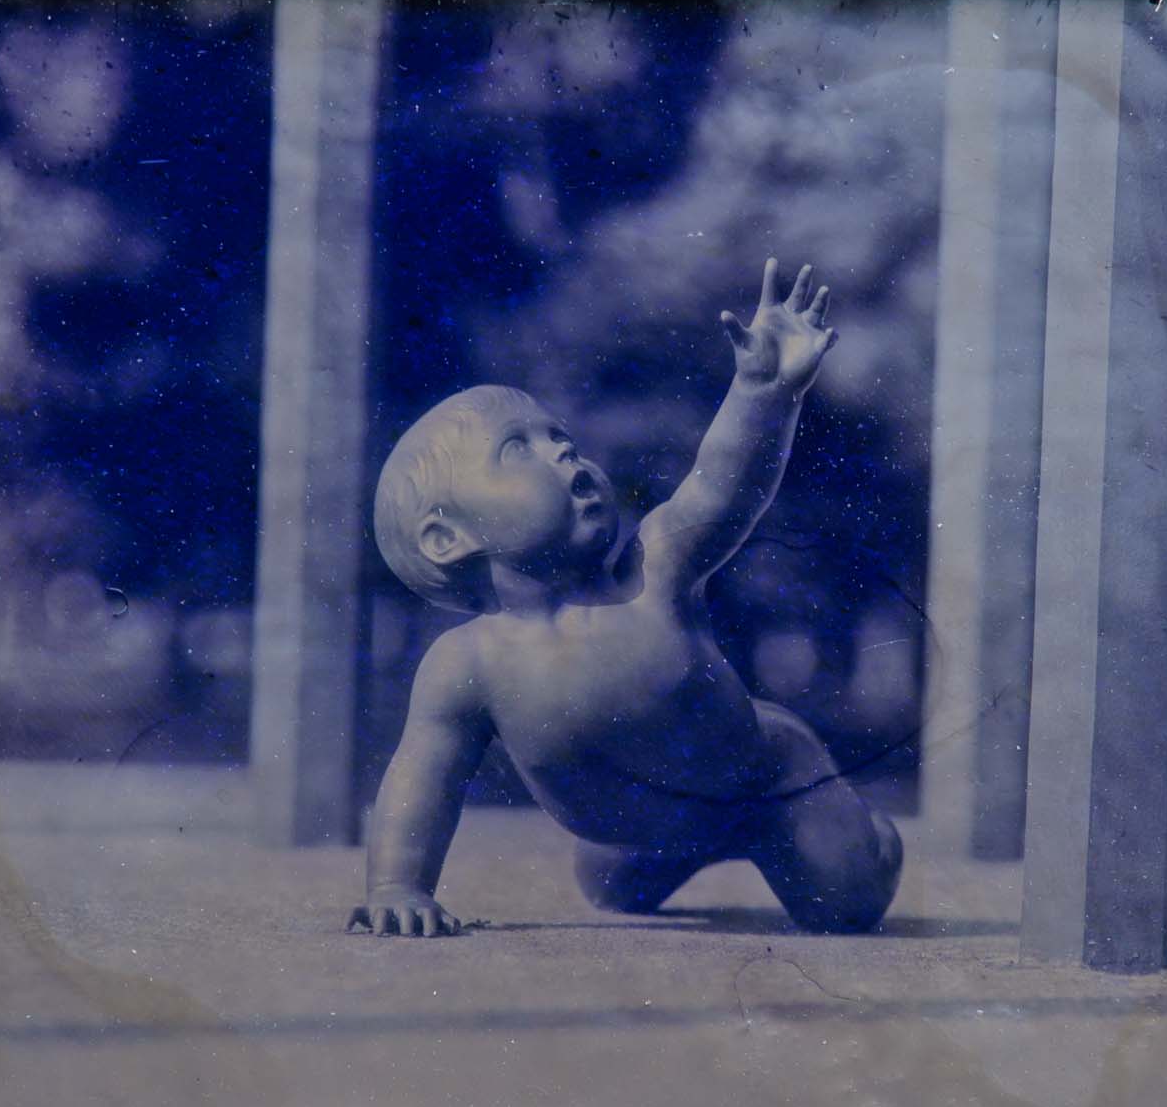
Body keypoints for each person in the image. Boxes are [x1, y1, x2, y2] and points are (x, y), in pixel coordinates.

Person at [350, 258, 903, 937]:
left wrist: (763, 393)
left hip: (765, 787)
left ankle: (871, 836)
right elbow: (423, 776)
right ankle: (669, 854)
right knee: (613, 891)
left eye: (563, 439)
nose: (565, 455)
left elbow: (720, 486)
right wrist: (398, 885)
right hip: (632, 837)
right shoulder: (465, 663)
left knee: (848, 902)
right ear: (444, 537)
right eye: (518, 450)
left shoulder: (651, 570)